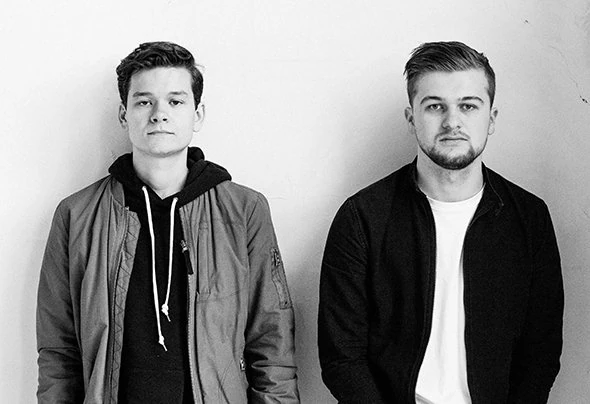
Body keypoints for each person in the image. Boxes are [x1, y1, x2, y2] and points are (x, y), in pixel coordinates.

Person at [36, 41, 299, 403]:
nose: (159, 114)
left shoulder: (244, 211)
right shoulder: (77, 215)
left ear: (198, 115)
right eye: (144, 102)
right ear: (124, 115)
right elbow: (58, 351)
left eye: (175, 102)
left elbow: (272, 344)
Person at [318, 41, 563, 404]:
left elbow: (541, 351)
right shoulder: (362, 218)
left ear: (491, 119)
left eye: (468, 106)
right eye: (435, 106)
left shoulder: (529, 218)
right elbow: (342, 356)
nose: (452, 122)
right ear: (411, 118)